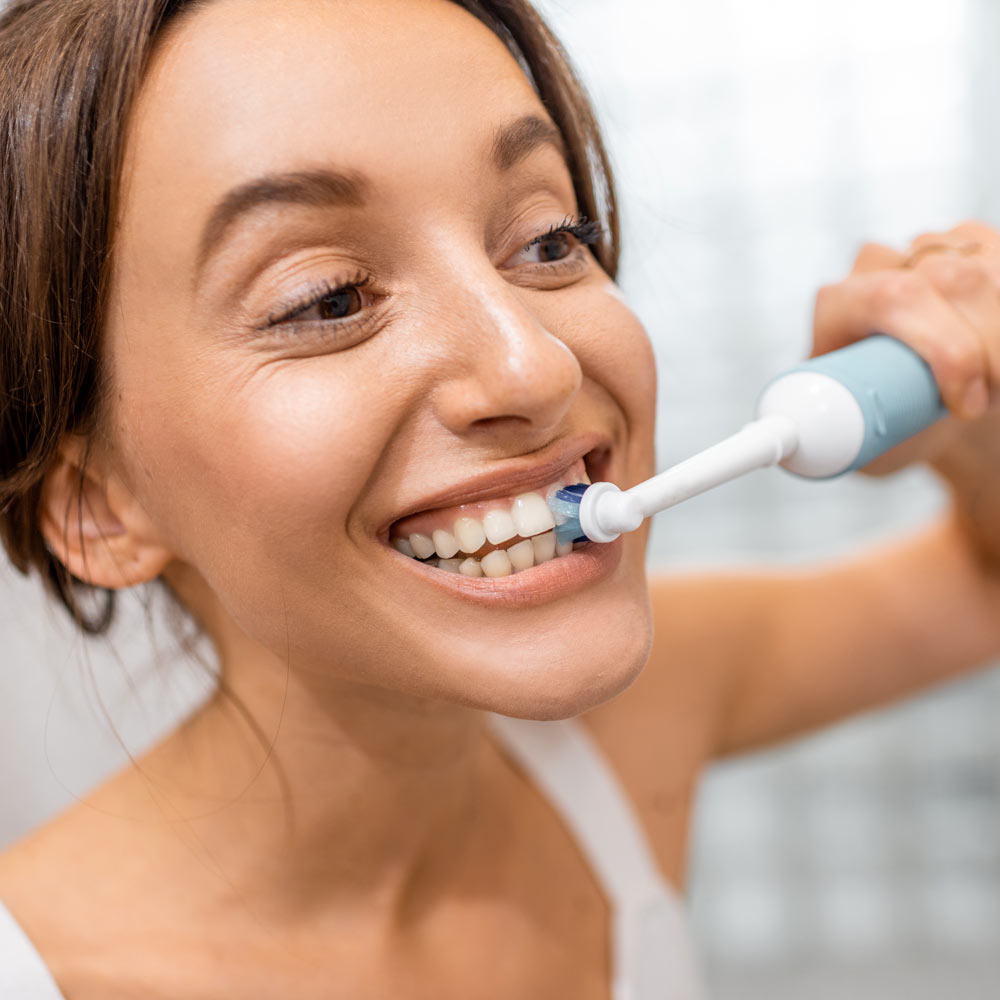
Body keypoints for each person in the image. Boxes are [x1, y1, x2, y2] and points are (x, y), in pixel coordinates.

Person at [0, 0, 998, 996]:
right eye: (328, 299)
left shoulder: (639, 713)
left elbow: (977, 587)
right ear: (97, 506)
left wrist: (968, 425)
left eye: (547, 238)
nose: (534, 368)